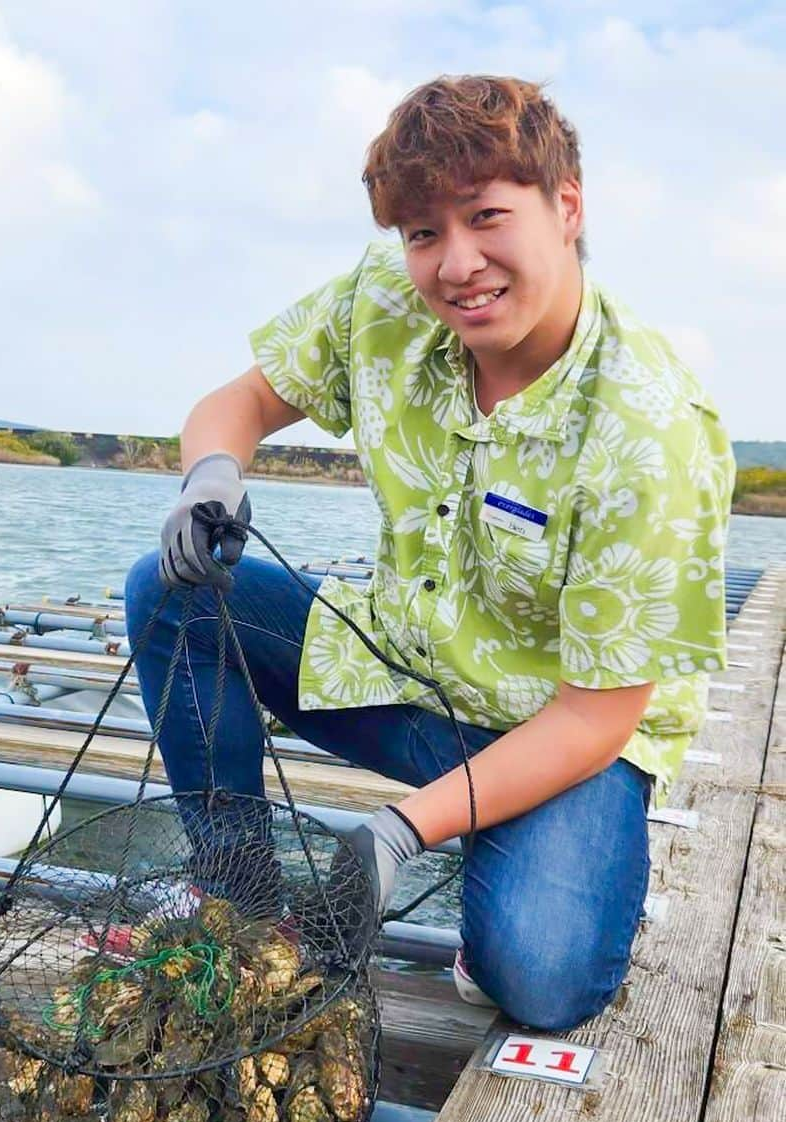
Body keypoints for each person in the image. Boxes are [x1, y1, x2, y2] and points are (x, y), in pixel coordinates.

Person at [124, 74, 735, 1031]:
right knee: (171, 594)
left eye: (487, 216)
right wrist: (210, 476)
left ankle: (498, 837)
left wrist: (401, 833)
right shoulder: (385, 302)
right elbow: (237, 403)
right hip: (402, 669)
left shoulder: (651, 430)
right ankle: (234, 888)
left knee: (543, 978)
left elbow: (595, 721)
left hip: (562, 735)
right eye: (421, 234)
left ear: (566, 207)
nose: (457, 264)